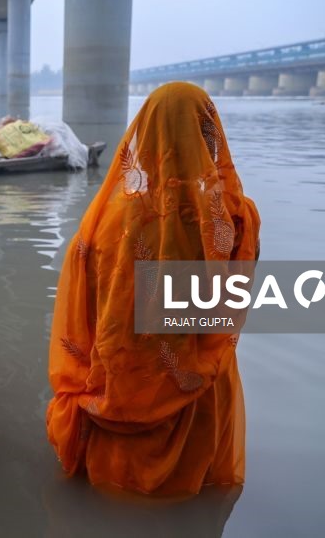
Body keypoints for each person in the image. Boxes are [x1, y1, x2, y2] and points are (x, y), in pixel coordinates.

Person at [46, 82, 261, 495]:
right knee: (200, 500)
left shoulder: (105, 224)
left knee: (115, 502)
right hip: (201, 399)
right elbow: (235, 306)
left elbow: (87, 316)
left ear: (143, 131)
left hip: (122, 396)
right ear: (210, 134)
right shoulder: (237, 217)